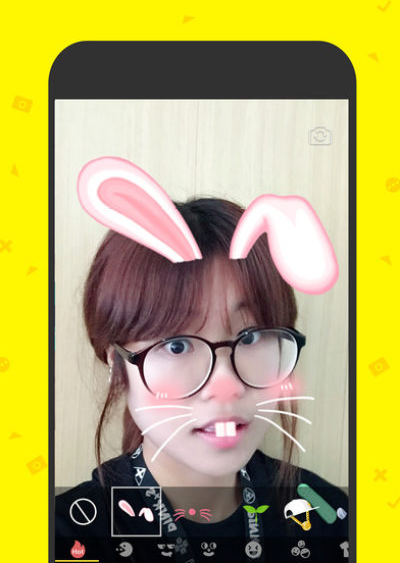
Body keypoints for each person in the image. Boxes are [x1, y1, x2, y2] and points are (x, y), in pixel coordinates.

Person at [55, 160, 348, 563]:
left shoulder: (329, 517)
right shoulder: (64, 534)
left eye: (252, 336)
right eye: (177, 345)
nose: (226, 386)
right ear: (117, 365)